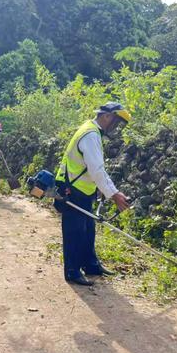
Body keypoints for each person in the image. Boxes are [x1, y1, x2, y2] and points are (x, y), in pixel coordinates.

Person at [54, 102, 132, 286]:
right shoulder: (90, 134)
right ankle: (72, 272)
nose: (117, 127)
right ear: (106, 116)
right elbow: (96, 170)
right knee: (74, 231)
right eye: (116, 122)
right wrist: (114, 194)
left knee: (88, 229)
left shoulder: (92, 132)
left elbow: (93, 170)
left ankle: (91, 265)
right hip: (72, 189)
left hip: (84, 189)